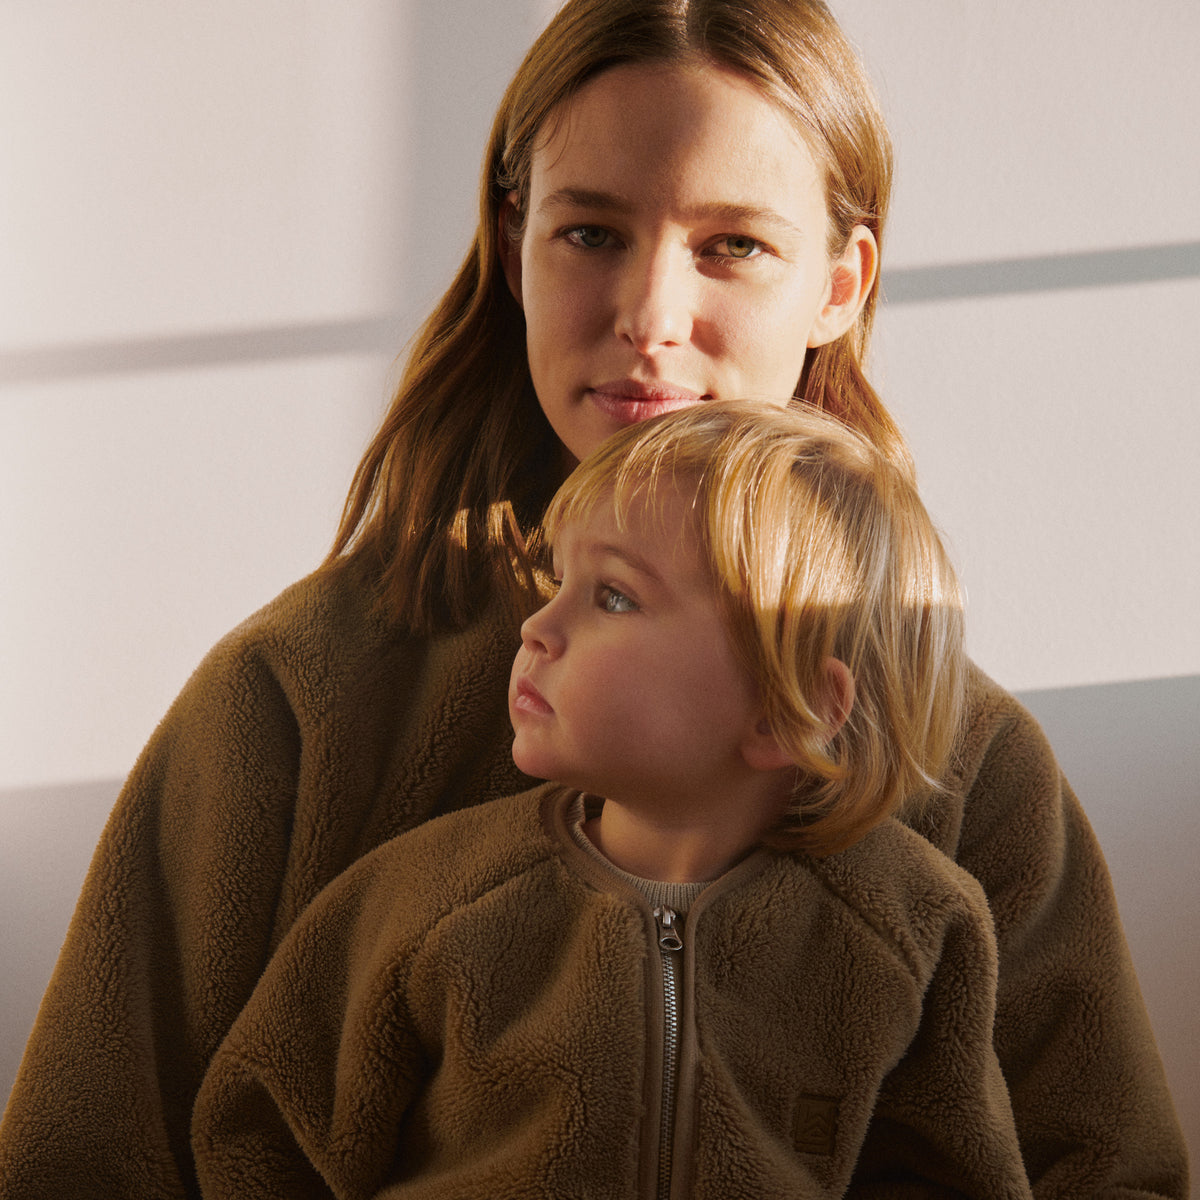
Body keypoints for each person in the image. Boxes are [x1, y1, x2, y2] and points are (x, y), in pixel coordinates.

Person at [0, 0, 1186, 1195]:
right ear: (516, 243)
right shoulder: (289, 701)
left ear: (842, 281)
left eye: (734, 246)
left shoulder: (968, 767)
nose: (649, 317)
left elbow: (1112, 1170)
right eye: (591, 234)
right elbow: (83, 1160)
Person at [191, 401, 1033, 1197]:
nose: (537, 627)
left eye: (614, 596)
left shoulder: (914, 925)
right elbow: (262, 1125)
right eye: (560, 582)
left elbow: (954, 1178)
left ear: (793, 711)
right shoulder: (429, 899)